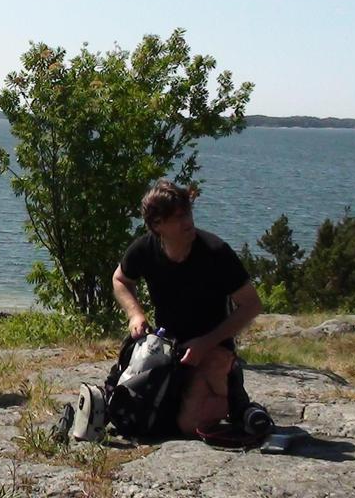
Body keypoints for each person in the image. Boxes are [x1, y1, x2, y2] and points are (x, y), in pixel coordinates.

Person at [111, 179, 273, 436]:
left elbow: (251, 305)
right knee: (133, 409)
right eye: (177, 217)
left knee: (189, 427)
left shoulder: (215, 252)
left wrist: (206, 344)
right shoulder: (145, 249)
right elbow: (120, 279)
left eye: (188, 213)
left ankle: (231, 385)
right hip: (168, 348)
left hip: (213, 347)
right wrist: (135, 314)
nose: (188, 221)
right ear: (157, 225)